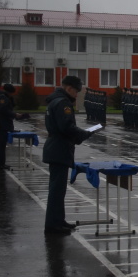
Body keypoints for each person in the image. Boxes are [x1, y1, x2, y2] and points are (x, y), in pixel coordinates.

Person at [42, 76, 94, 235]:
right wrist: (83, 134)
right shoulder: (63, 103)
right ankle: (53, 225)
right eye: (76, 91)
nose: (77, 95)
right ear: (69, 88)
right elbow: (66, 127)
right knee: (57, 190)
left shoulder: (54, 101)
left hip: (56, 147)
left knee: (58, 189)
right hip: (59, 148)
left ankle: (58, 220)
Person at [0, 84, 23, 170]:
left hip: (3, 125)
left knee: (1, 145)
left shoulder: (5, 98)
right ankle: (0, 164)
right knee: (1, 146)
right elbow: (3, 110)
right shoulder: (3, 98)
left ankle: (1, 163)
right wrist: (14, 114)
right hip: (1, 125)